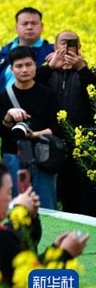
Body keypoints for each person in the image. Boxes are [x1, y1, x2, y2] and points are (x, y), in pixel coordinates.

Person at [0, 46, 61, 205]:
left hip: (44, 155)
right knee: (17, 206)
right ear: (11, 69)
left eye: (29, 65)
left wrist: (36, 134)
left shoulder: (48, 94)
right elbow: (2, 132)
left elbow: (58, 126)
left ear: (36, 65)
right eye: (19, 66)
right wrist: (8, 117)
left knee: (47, 206)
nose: (25, 70)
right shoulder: (2, 98)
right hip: (15, 155)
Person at [37, 31, 96, 215]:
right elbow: (29, 89)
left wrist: (82, 68)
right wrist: (49, 68)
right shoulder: (48, 73)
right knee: (65, 193)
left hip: (84, 145)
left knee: (88, 195)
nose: (67, 48)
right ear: (54, 48)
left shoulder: (88, 71)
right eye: (63, 43)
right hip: (56, 145)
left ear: (79, 48)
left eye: (72, 44)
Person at [0, 7, 52, 102]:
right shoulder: (3, 53)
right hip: (6, 111)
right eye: (25, 24)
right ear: (16, 27)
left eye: (34, 23)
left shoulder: (52, 52)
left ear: (42, 26)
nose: (29, 27)